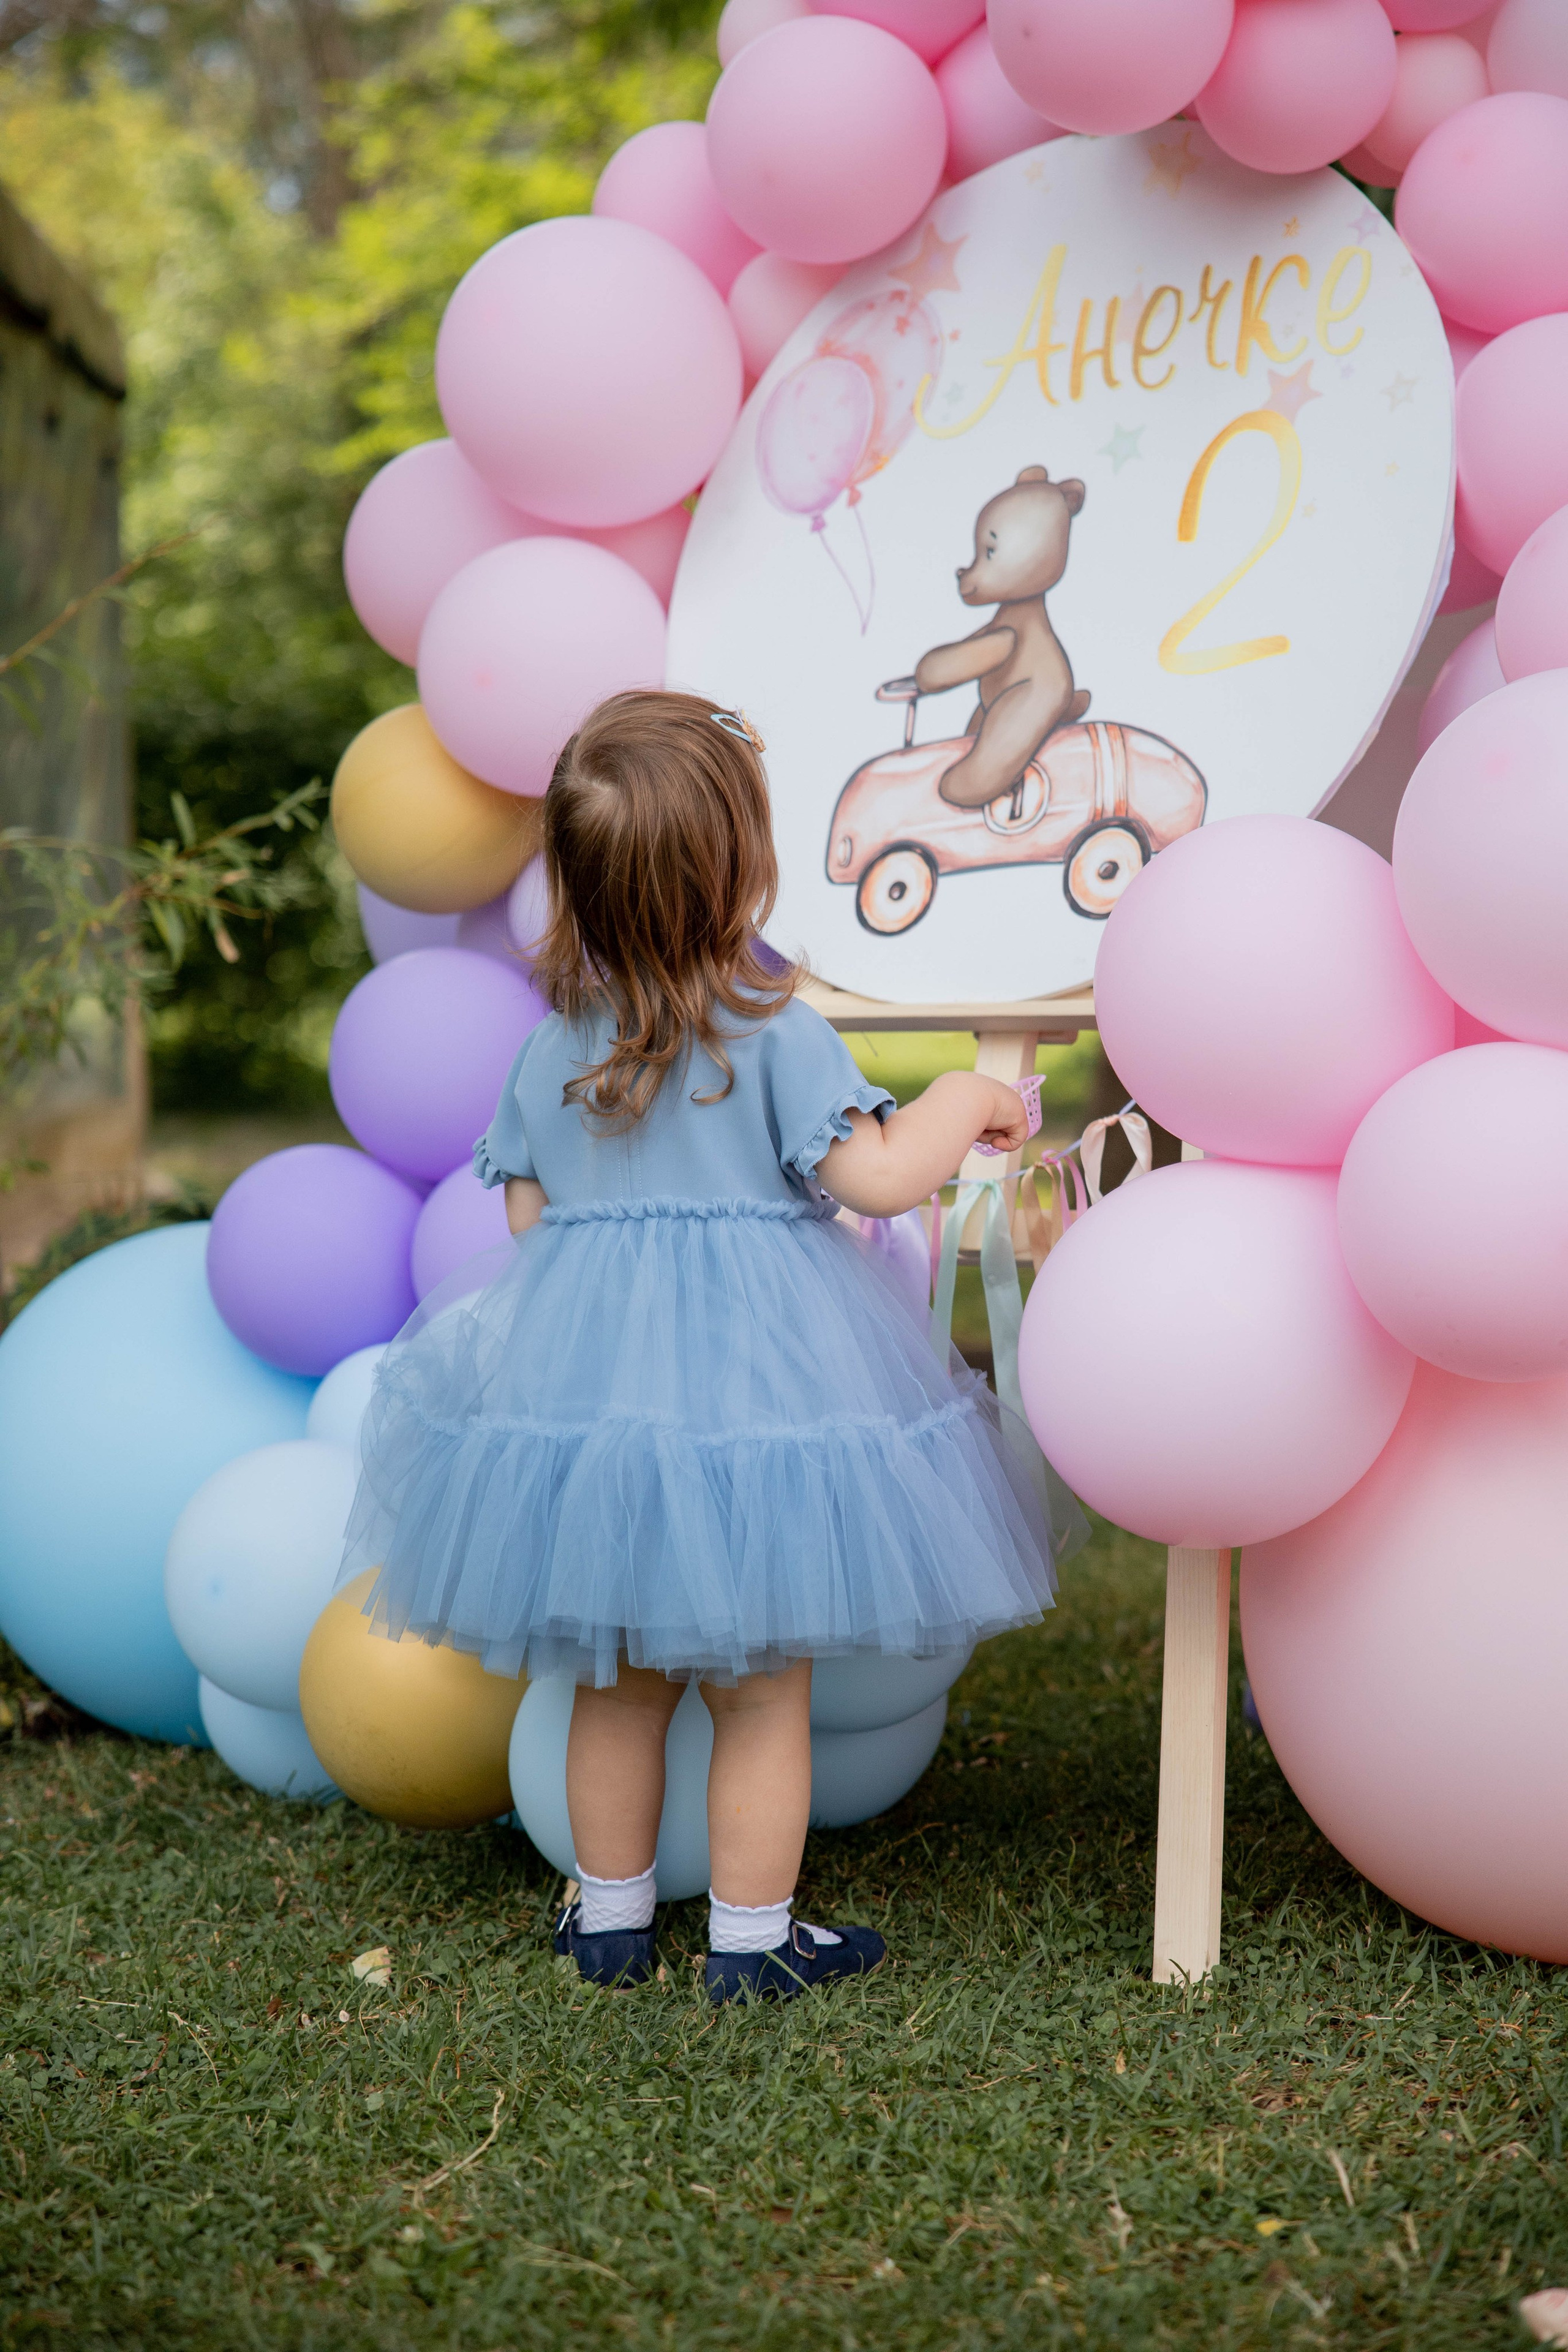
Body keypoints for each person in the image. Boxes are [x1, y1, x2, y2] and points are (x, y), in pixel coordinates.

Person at [342, 688, 1081, 2004]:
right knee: (757, 1696)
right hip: (758, 1407)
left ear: (576, 885)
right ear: (738, 867)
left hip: (598, 1412)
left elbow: (526, 1215)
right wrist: (965, 1097)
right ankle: (750, 1944)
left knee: (616, 1687)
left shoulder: (552, 1048)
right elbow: (871, 1179)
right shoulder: (776, 1036)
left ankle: (609, 1921)